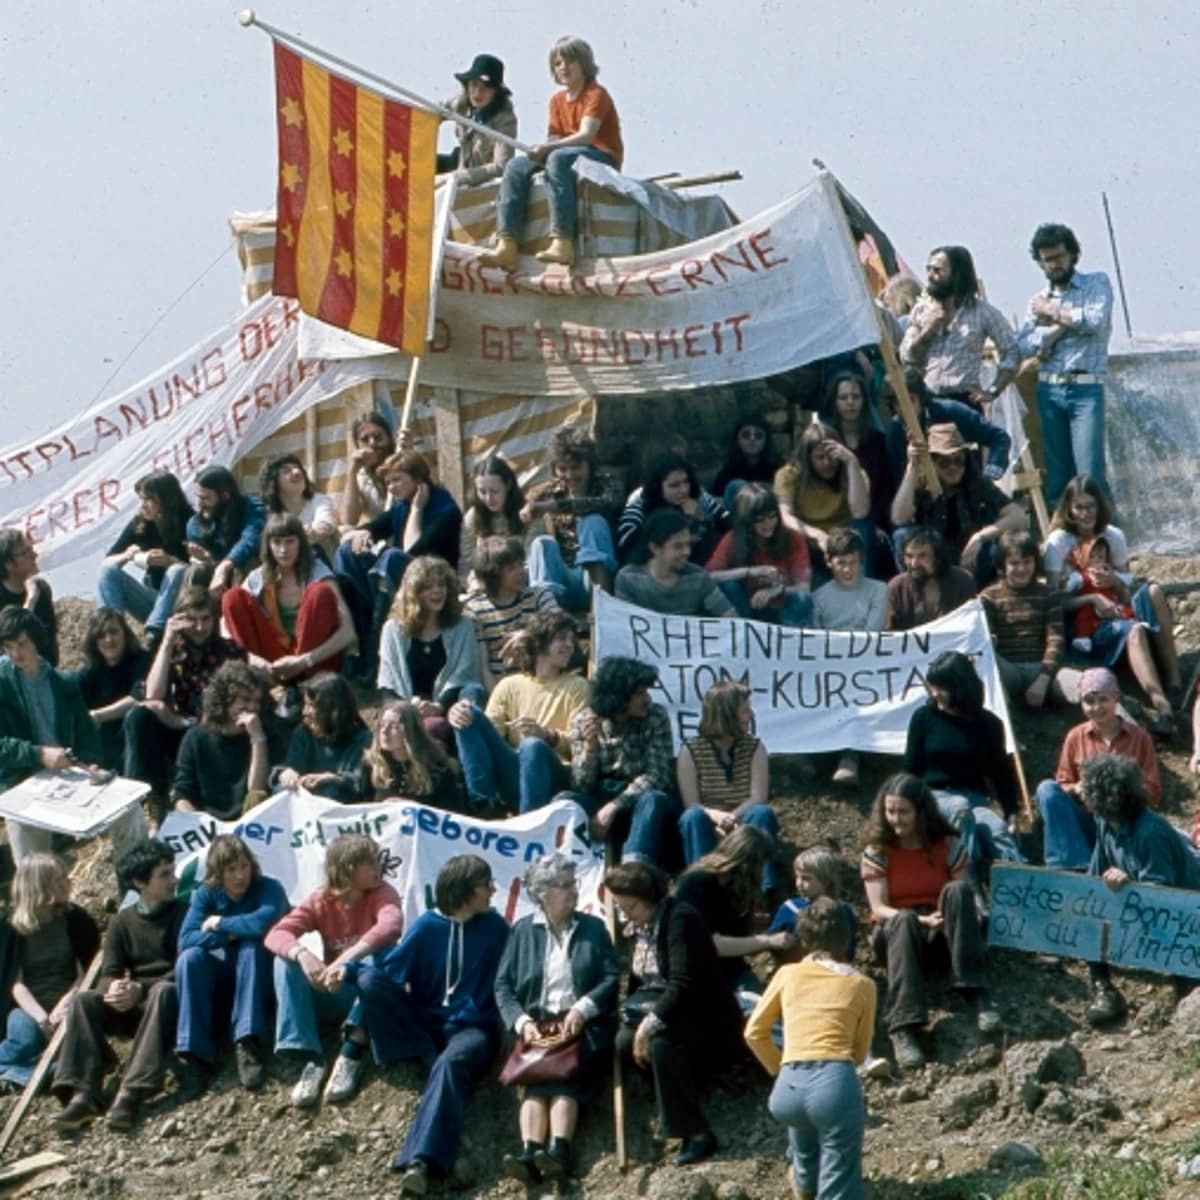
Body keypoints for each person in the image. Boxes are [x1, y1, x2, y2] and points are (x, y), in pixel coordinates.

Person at [338, 855, 509, 1194]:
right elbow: (388, 971)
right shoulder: (428, 926)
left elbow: (516, 976)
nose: (492, 890)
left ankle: (421, 1161)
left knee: (450, 1063)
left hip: (472, 1029)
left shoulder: (495, 928)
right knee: (369, 979)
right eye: (485, 884)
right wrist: (348, 970)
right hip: (427, 1021)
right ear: (465, 891)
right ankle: (422, 1056)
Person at [606, 861, 743, 1167]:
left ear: (649, 899)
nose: (624, 914)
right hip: (664, 1003)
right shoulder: (639, 928)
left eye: (630, 907)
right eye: (620, 907)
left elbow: (684, 982)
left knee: (659, 1044)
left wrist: (648, 1026)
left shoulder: (681, 920)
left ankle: (695, 1133)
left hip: (703, 1010)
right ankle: (679, 1090)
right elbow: (641, 980)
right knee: (623, 1043)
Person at [494, 853, 619, 1183]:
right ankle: (529, 1152)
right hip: (538, 1024)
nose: (572, 892)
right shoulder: (522, 931)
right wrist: (522, 1023)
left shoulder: (592, 928)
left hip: (581, 1024)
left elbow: (611, 977)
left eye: (572, 883)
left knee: (564, 1078)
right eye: (563, 886)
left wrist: (583, 1008)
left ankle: (559, 1150)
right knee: (534, 1082)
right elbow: (503, 985)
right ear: (542, 893)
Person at [860, 774, 997, 1072]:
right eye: (890, 811)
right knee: (904, 919)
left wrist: (942, 919)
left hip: (941, 930)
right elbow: (879, 908)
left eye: (903, 811)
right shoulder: (878, 851)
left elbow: (963, 896)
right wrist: (921, 919)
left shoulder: (947, 844)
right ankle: (903, 1026)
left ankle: (974, 988)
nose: (896, 819)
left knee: (959, 890)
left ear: (921, 811)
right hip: (898, 934)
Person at [744, 897, 876, 1200]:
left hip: (788, 1086)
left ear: (804, 938)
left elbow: (754, 1032)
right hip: (834, 1081)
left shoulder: (787, 975)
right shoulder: (862, 984)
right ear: (846, 938)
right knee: (839, 1171)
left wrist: (781, 1068)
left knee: (803, 1145)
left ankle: (804, 1185)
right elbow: (859, 1051)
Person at [51, 839, 185, 1131]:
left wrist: (142, 989)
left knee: (163, 991)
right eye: (164, 875)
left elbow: (185, 968)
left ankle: (132, 1092)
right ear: (140, 882)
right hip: (135, 1007)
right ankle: (83, 1094)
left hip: (170, 1006)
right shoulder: (123, 921)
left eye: (172, 872)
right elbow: (109, 971)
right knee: (85, 1000)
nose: (173, 880)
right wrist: (114, 989)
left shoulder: (182, 913)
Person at [264, 834, 403, 1108]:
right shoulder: (320, 900)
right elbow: (275, 934)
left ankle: (352, 1051)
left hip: (366, 995)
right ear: (348, 868)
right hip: (334, 990)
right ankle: (310, 1058)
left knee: (382, 956)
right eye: (370, 862)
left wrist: (346, 960)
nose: (379, 867)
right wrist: (302, 954)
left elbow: (392, 925)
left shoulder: (383, 892)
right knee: (283, 962)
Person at [0, 608, 145, 868]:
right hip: (23, 779)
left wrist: (91, 764)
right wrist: (38, 753)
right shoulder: (3, 684)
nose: (16, 654)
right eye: (9, 647)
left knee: (129, 811)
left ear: (35, 640)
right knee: (29, 851)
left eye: (21, 644)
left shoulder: (63, 683)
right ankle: (36, 903)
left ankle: (136, 893)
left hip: (66, 776)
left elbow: (88, 736)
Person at [1042, 475, 1181, 731]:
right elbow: (1052, 603)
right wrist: (1091, 596)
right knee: (1134, 629)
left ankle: (1174, 682)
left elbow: (1126, 593)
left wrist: (1114, 582)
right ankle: (1162, 707)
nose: (1086, 514)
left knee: (1154, 592)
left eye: (1091, 506)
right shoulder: (1059, 541)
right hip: (1083, 622)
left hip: (1115, 609)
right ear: (1069, 509)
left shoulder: (1113, 536)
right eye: (1079, 507)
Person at [478, 36, 622, 270]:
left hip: (601, 154)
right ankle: (507, 243)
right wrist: (540, 151)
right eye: (558, 63)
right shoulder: (556, 101)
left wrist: (548, 149)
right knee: (516, 166)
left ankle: (562, 241)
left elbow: (586, 136)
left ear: (584, 63)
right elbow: (555, 138)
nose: (563, 67)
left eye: (570, 61)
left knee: (556, 158)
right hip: (568, 154)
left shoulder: (596, 94)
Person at [1081, 754, 1200, 1026]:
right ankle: (1104, 989)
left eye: (1086, 786)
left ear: (1108, 793)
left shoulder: (1150, 831)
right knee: (1085, 918)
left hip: (1184, 912)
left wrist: (1128, 884)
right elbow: (1095, 871)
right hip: (1139, 905)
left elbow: (1161, 892)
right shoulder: (1103, 822)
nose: (1080, 790)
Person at [174, 835, 289, 1095]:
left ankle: (247, 1042)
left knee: (252, 947)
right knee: (191, 958)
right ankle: (195, 1056)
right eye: (231, 870)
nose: (240, 876)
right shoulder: (206, 894)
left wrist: (220, 923)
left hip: (263, 979)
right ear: (218, 873)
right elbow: (186, 938)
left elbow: (263, 923)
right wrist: (230, 935)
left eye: (244, 866)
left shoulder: (269, 888)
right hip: (224, 977)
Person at [904, 651, 1024, 894]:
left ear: (960, 688)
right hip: (934, 797)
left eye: (941, 688)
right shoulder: (924, 717)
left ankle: (1019, 895)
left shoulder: (989, 724)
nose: (934, 693)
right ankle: (970, 893)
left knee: (997, 830)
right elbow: (910, 769)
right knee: (960, 810)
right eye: (932, 686)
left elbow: (1001, 772)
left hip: (974, 798)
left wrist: (1011, 811)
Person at [1016, 223, 1115, 508]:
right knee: (1058, 475)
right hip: (1049, 389)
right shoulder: (1037, 300)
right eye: (1047, 260)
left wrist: (1052, 314)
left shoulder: (1096, 284)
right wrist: (1063, 326)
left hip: (1085, 389)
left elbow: (1095, 322)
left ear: (1073, 255)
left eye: (1059, 257)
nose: (1054, 265)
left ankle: (1104, 541)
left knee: (1090, 474)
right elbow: (1025, 345)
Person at [450, 612, 588, 815]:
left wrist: (546, 735)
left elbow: (581, 746)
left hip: (555, 774)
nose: (569, 645)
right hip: (514, 771)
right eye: (561, 638)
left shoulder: (578, 686)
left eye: (571, 640)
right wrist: (457, 713)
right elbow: (491, 735)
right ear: (540, 644)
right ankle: (485, 805)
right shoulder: (509, 685)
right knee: (466, 713)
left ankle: (528, 822)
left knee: (531, 746)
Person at [336, 451, 463, 670]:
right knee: (347, 551)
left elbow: (412, 553)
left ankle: (374, 652)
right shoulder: (401, 505)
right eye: (387, 483)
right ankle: (361, 637)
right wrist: (363, 533)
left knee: (391, 557)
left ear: (418, 479)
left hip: (435, 582)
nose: (391, 488)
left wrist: (416, 511)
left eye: (396, 480)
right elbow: (373, 527)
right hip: (399, 583)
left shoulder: (445, 509)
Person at [123, 587, 245, 806]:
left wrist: (181, 721)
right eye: (192, 620)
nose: (199, 628)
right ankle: (152, 798)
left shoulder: (230, 652)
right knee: (138, 717)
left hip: (216, 734)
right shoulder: (174, 651)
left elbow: (229, 711)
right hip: (184, 731)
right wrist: (168, 641)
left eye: (205, 619)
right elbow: (152, 695)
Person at [1036, 668, 1161, 870]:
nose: (1097, 707)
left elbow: (1153, 790)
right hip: (1086, 821)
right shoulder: (1075, 736)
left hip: (1123, 824)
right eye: (1089, 701)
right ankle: (1072, 867)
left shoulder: (1139, 737)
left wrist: (1123, 792)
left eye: (1103, 699)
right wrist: (1077, 788)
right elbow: (1063, 782)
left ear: (1116, 698)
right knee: (1046, 789)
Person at [562, 657, 679, 871]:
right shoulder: (584, 721)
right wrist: (591, 749)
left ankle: (634, 868)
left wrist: (616, 805)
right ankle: (570, 868)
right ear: (619, 698)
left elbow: (658, 776)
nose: (647, 699)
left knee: (655, 800)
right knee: (565, 801)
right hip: (599, 796)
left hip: (638, 799)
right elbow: (580, 785)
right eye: (639, 694)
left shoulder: (656, 717)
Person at [222, 515, 356, 691]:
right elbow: (224, 624)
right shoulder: (260, 576)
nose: (283, 550)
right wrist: (250, 658)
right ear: (268, 545)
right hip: (273, 661)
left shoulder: (318, 573)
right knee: (233, 597)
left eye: (290, 541)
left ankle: (301, 686)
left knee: (320, 593)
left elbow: (348, 632)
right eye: (277, 542)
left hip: (311, 661)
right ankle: (258, 681)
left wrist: (304, 660)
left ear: (300, 543)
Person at [0, 853, 99, 1090]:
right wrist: (41, 1018)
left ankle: (18, 1075)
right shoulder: (11, 927)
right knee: (25, 1039)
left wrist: (64, 1005)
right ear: (39, 886)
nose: (67, 883)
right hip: (28, 1006)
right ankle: (32, 1075)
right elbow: (15, 983)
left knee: (71, 1048)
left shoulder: (74, 918)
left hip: (67, 1001)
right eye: (58, 880)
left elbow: (86, 972)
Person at [891, 423, 1027, 587]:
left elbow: (1019, 516)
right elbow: (899, 517)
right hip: (929, 560)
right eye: (944, 462)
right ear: (932, 463)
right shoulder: (919, 483)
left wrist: (980, 537)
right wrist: (912, 466)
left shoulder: (975, 481)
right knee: (901, 535)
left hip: (968, 557)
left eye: (958, 461)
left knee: (994, 547)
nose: (953, 467)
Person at [676, 680, 780, 889]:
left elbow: (758, 796)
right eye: (745, 711)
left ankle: (763, 890)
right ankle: (699, 886)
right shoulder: (691, 750)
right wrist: (717, 818)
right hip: (708, 821)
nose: (751, 715)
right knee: (692, 817)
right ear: (726, 714)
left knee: (762, 813)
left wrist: (733, 818)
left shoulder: (755, 747)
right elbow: (692, 803)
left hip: (742, 819)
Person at [898, 244, 1020, 412]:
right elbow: (908, 357)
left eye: (937, 271)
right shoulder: (921, 311)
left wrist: (992, 390)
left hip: (965, 401)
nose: (931, 276)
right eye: (929, 269)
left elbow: (1012, 351)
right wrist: (928, 331)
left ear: (956, 275)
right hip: (929, 399)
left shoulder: (983, 312)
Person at [377, 556, 483, 744]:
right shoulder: (392, 630)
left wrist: (438, 706)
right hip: (404, 710)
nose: (437, 591)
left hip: (450, 709)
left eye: (441, 584)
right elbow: (388, 684)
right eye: (428, 586)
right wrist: (411, 708)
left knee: (435, 726)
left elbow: (465, 675)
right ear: (414, 593)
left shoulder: (462, 626)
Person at [674, 826, 790, 997]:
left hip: (731, 967)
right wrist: (768, 941)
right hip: (698, 971)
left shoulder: (737, 888)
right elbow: (711, 945)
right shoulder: (697, 884)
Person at [813, 527, 888, 786]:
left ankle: (850, 757)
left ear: (861, 561)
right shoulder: (819, 597)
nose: (848, 570)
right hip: (831, 664)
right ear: (829, 562)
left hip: (867, 661)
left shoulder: (878, 589)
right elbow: (815, 640)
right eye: (841, 563)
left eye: (853, 563)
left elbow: (873, 630)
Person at [980, 530, 1084, 708]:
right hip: (1008, 671)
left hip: (1046, 671)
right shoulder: (988, 598)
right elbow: (986, 646)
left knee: (1095, 684)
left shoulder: (1049, 595)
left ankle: (1135, 734)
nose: (1021, 569)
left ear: (1035, 563)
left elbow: (1056, 640)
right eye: (1014, 563)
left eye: (1027, 562)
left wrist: (1043, 680)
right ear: (1003, 565)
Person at [524, 425, 623, 609]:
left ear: (590, 465)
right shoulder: (543, 494)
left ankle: (601, 611)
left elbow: (607, 502)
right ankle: (548, 619)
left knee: (593, 522)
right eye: (563, 468)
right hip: (559, 581)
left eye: (576, 468)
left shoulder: (608, 485)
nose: (569, 475)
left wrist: (554, 507)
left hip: (590, 579)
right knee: (541, 544)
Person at [97, 470, 194, 652]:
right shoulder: (141, 524)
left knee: (176, 571)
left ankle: (153, 637)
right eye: (142, 500)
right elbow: (107, 562)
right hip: (152, 601)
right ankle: (111, 633)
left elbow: (204, 572)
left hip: (184, 605)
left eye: (149, 499)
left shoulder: (190, 523)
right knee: (108, 572)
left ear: (165, 500)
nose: (143, 506)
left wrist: (170, 562)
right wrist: (128, 555)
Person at [171, 660, 276, 820]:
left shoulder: (266, 733)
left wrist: (257, 739)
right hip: (207, 824)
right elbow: (182, 794)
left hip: (251, 822)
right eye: (246, 699)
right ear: (226, 698)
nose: (253, 707)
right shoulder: (196, 738)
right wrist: (198, 824)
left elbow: (257, 792)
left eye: (257, 701)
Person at [883, 366, 1012, 495]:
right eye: (897, 402)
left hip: (967, 490)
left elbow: (998, 438)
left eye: (910, 400)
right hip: (926, 500)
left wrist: (989, 476)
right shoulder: (896, 432)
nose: (903, 408)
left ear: (921, 398)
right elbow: (899, 482)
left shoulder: (951, 412)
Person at [704, 485, 813, 624]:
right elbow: (709, 576)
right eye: (760, 519)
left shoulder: (793, 537)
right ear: (747, 520)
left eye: (772, 517)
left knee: (802, 599)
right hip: (747, 609)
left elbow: (804, 587)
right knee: (729, 585)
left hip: (784, 607)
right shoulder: (733, 539)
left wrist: (777, 591)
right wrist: (750, 572)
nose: (768, 524)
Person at [463, 536, 559, 692]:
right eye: (511, 569)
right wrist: (499, 702)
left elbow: (560, 622)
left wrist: (529, 635)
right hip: (499, 686)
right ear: (493, 574)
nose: (521, 572)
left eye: (521, 565)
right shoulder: (475, 610)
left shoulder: (538, 596)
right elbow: (483, 666)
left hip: (539, 682)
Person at [774, 421, 871, 565]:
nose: (827, 463)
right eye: (819, 457)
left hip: (844, 542)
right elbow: (785, 516)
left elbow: (860, 512)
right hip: (808, 541)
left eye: (832, 456)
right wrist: (817, 535)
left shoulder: (855, 472)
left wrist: (851, 462)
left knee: (864, 527)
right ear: (808, 459)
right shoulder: (789, 474)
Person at [617, 510, 737, 618]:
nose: (687, 552)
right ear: (655, 548)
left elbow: (730, 617)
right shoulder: (628, 579)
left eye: (688, 545)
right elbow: (623, 625)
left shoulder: (698, 577)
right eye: (678, 546)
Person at [616, 451, 728, 566]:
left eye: (686, 482)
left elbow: (729, 523)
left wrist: (703, 518)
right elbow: (627, 548)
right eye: (674, 485)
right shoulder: (639, 505)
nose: (684, 490)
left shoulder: (699, 495)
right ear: (657, 487)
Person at [71, 608, 149, 772]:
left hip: (134, 738)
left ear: (125, 634)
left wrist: (97, 716)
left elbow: (138, 699)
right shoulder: (88, 672)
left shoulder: (141, 660)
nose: (108, 640)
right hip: (101, 742)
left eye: (114, 632)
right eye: (101, 635)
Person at [272, 675, 372, 802]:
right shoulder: (303, 733)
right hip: (305, 800)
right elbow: (289, 764)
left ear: (332, 711)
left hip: (340, 807)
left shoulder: (362, 739)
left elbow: (360, 781)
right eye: (305, 705)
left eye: (311, 706)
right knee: (281, 791)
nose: (305, 712)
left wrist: (332, 779)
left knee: (332, 791)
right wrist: (287, 773)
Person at [820, 369, 893, 533]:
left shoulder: (878, 441)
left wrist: (876, 523)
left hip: (869, 520)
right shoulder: (825, 440)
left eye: (856, 397)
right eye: (843, 397)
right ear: (835, 401)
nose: (850, 402)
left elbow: (885, 490)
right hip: (834, 521)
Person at [358, 701, 462, 808]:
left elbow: (452, 814)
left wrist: (412, 808)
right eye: (382, 724)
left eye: (394, 726)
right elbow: (361, 809)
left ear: (411, 732)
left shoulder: (437, 770)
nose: (384, 731)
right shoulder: (372, 765)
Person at [185, 465, 267, 597]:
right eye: (198, 497)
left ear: (225, 496)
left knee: (246, 564)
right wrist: (208, 559)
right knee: (195, 572)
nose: (199, 504)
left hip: (245, 574)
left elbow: (251, 539)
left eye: (205, 498)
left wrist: (226, 565)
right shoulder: (195, 524)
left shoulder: (251, 507)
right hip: (215, 579)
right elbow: (210, 561)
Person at [766, 847, 858, 962]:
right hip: (795, 971)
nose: (799, 883)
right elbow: (772, 942)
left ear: (826, 880)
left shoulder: (842, 911)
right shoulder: (789, 908)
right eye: (797, 877)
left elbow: (849, 950)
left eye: (806, 878)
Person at [437, 54, 518, 184]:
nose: (478, 92)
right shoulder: (461, 104)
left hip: (479, 181)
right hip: (458, 163)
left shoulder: (505, 121)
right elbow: (432, 113)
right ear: (467, 85)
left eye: (485, 87)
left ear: (495, 92)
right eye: (474, 84)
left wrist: (453, 178)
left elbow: (501, 167)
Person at [884, 527, 976, 632]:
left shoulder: (962, 581)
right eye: (909, 556)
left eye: (922, 556)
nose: (914, 563)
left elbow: (970, 626)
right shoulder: (896, 587)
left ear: (938, 557)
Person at [458, 455, 528, 588]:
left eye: (494, 491)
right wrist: (471, 582)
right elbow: (466, 565)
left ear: (508, 485)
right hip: (486, 585)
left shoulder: (526, 512)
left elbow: (532, 561)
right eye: (482, 492)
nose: (488, 498)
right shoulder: (473, 516)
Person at [258, 453, 339, 563]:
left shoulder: (318, 500)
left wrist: (313, 533)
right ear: (274, 482)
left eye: (298, 468)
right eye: (287, 471)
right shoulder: (268, 514)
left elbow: (326, 523)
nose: (297, 472)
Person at [1065, 535, 1134, 653]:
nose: (1096, 560)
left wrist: (1117, 581)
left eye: (1100, 557)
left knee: (1123, 609)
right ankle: (1083, 638)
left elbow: (1125, 581)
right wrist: (1065, 584)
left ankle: (1131, 620)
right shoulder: (1081, 576)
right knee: (1084, 614)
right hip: (1091, 607)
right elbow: (1069, 586)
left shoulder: (1109, 574)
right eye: (1091, 557)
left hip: (1110, 604)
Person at [0, 531, 57, 666]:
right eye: (26, 553)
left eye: (32, 549)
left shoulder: (41, 589)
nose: (35, 555)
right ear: (8, 564)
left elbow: (49, 646)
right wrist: (30, 602)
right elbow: (11, 643)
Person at [709, 411, 782, 509]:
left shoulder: (777, 470)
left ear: (766, 441)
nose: (752, 439)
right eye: (746, 435)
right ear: (737, 440)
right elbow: (715, 502)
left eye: (758, 435)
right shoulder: (728, 471)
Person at [340, 412, 396, 527]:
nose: (372, 443)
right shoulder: (361, 478)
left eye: (378, 436)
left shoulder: (404, 462)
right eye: (365, 440)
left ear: (389, 438)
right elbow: (348, 520)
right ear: (358, 446)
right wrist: (352, 472)